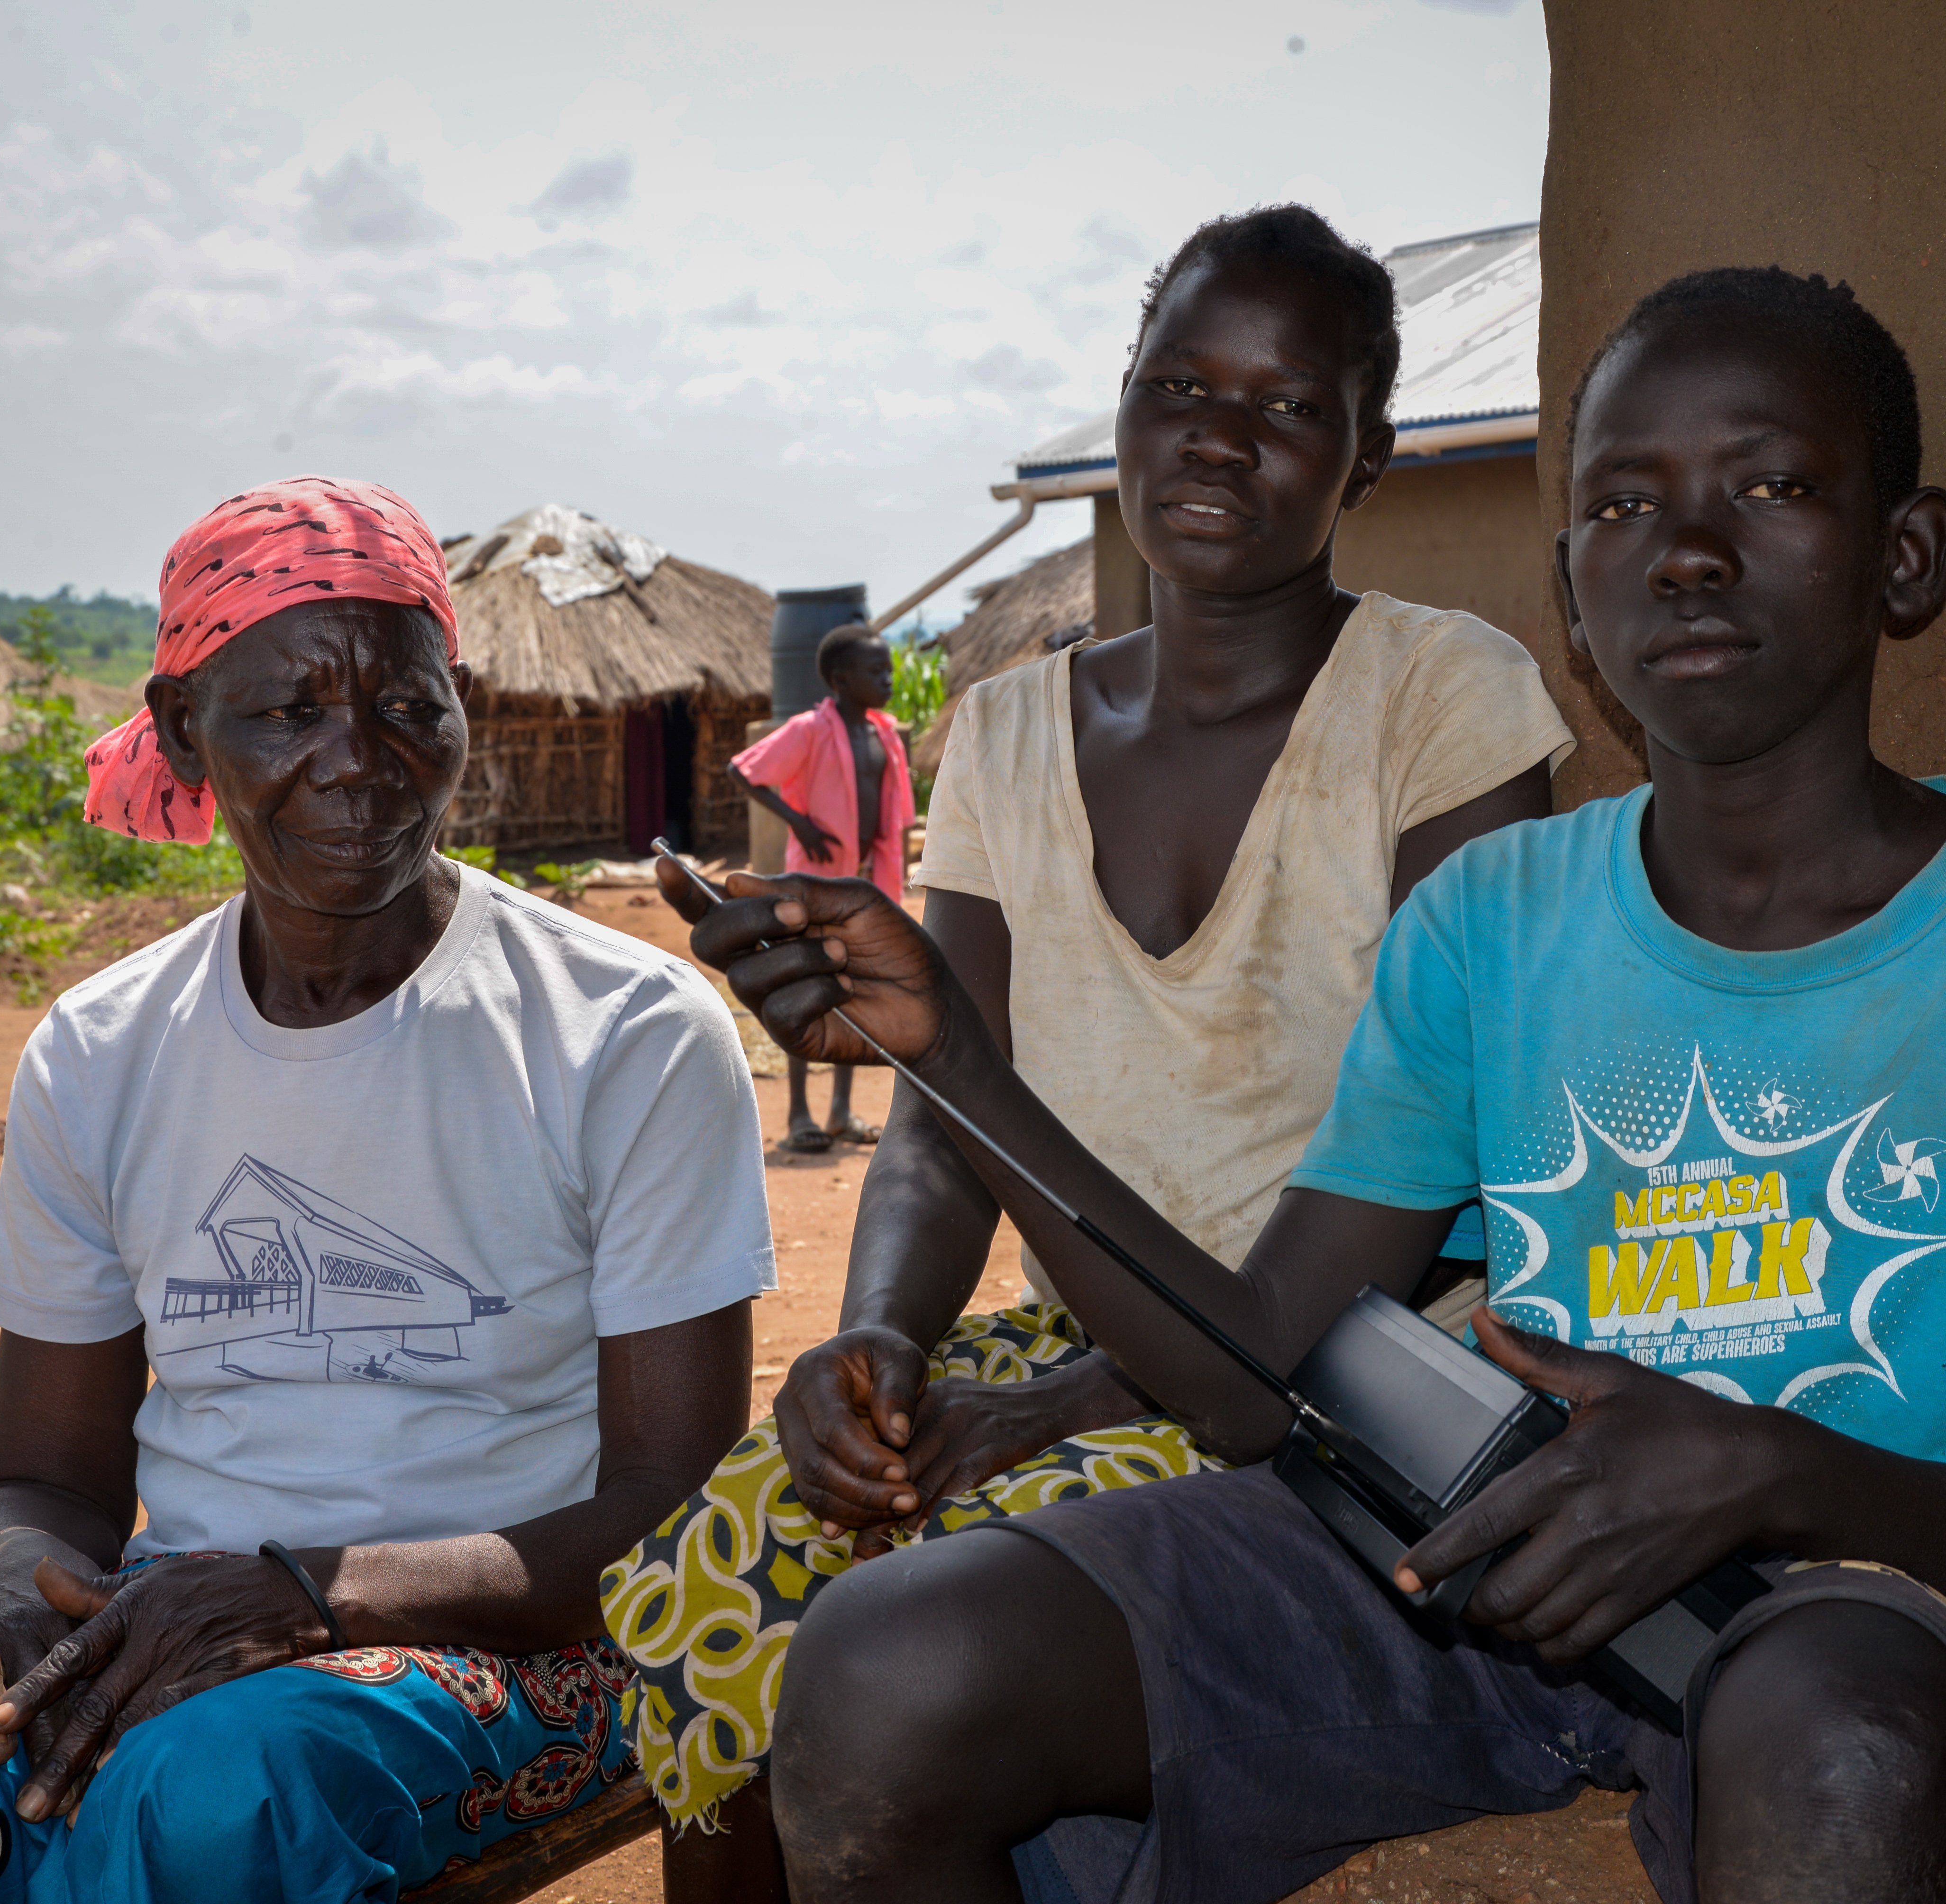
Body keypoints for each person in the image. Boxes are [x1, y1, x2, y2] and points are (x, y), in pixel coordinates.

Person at [676, 268, 1946, 1904]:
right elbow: (1257, 1384)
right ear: (1572, 579)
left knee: (1837, 1743)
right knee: (888, 1666)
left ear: (1904, 554)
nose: (1686, 546)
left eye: (1766, 483)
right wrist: (953, 1051)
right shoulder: (1494, 920)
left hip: (1832, 1610)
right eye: (1623, 501)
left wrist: (1763, 1468)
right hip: (1459, 1570)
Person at [607, 203, 1576, 1900]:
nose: (1217, 432)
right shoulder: (1002, 732)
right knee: (742, 1535)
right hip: (1081, 1311)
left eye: (1285, 405)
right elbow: (933, 1117)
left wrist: (1077, 1398)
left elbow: (1435, 1184)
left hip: (1363, 1363)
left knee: (923, 1616)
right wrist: (880, 1349)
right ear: (1121, 411)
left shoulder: (1442, 707)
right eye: (1178, 383)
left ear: (1363, 459)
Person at [0, 476, 775, 1903]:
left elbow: (667, 1500)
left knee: (212, 1795)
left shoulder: (620, 1030)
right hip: (186, 1611)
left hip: (535, 1643)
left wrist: (314, 1593)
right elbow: (47, 1476)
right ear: (186, 726)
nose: (358, 761)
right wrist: (6, 1598)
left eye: (404, 705)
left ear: (461, 708)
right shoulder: (103, 1049)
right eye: (286, 712)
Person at [728, 621, 911, 1153]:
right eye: (876, 671)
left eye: (889, 669)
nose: (889, 679)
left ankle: (841, 1112)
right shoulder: (809, 730)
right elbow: (745, 771)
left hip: (863, 887)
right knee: (805, 991)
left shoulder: (886, 735)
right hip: (810, 888)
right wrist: (800, 823)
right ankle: (800, 1114)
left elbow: (892, 815)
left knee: (849, 993)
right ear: (840, 678)